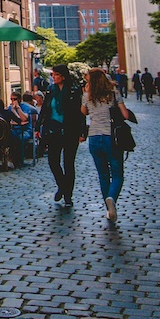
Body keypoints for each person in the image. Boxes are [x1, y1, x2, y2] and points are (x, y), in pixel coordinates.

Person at [81, 68, 131, 222]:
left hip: (94, 137)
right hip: (111, 137)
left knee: (103, 174)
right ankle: (112, 198)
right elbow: (125, 115)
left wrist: (86, 95)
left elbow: (83, 112)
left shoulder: (87, 95)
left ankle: (108, 209)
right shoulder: (113, 93)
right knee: (117, 173)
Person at [39, 64, 86, 208]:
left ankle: (68, 195)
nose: (53, 77)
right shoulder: (50, 90)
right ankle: (62, 185)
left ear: (63, 76)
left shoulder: (73, 90)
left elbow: (80, 113)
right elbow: (44, 109)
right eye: (52, 75)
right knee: (53, 161)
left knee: (68, 163)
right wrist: (38, 126)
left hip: (70, 131)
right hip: (53, 130)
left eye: (56, 75)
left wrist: (83, 132)